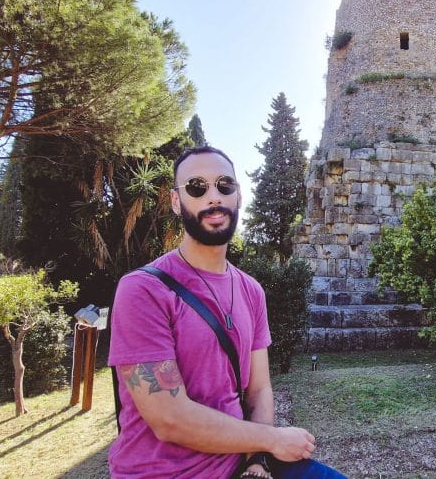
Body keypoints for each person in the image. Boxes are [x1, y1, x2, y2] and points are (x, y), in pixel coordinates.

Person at [108, 145, 344, 478]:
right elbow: (169, 419)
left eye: (224, 185)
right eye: (196, 187)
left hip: (239, 465)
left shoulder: (251, 290)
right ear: (176, 201)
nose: (213, 197)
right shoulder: (143, 290)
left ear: (238, 196)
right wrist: (272, 439)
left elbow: (259, 389)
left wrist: (257, 461)